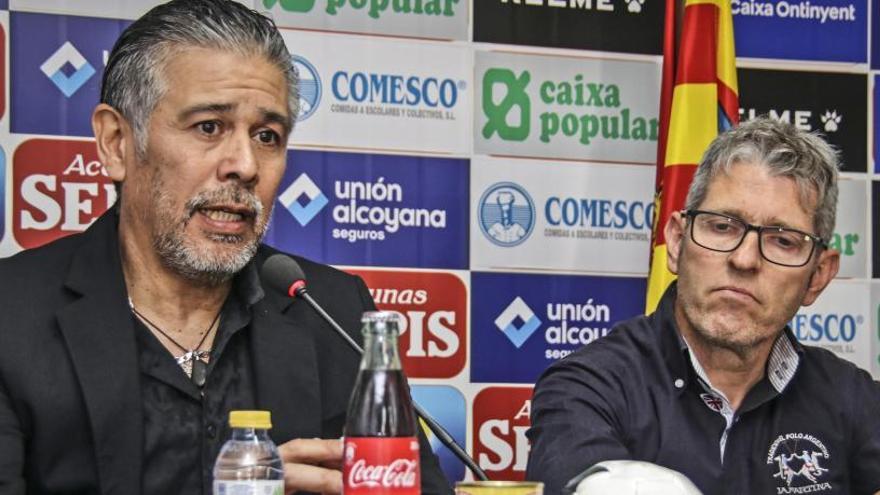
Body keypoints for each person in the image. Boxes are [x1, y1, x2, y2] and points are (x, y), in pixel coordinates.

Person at [0, 1, 450, 494]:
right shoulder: (11, 314)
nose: (245, 165)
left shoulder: (333, 311)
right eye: (209, 127)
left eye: (267, 136)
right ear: (116, 143)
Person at [526, 117, 880, 494]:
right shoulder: (587, 388)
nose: (745, 260)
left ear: (818, 276)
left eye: (783, 241)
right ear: (677, 243)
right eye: (722, 226)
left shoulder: (850, 397)